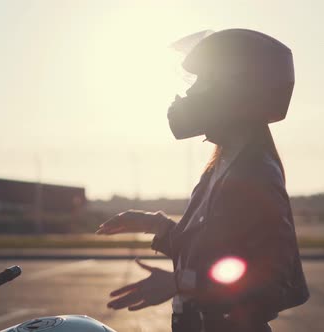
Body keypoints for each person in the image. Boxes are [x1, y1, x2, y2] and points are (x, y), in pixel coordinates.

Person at [96, 28, 309, 332]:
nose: (189, 93)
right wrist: (154, 225)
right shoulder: (220, 168)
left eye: (204, 81)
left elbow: (270, 281)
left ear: (238, 90)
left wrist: (180, 283)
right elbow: (209, 254)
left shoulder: (256, 175)